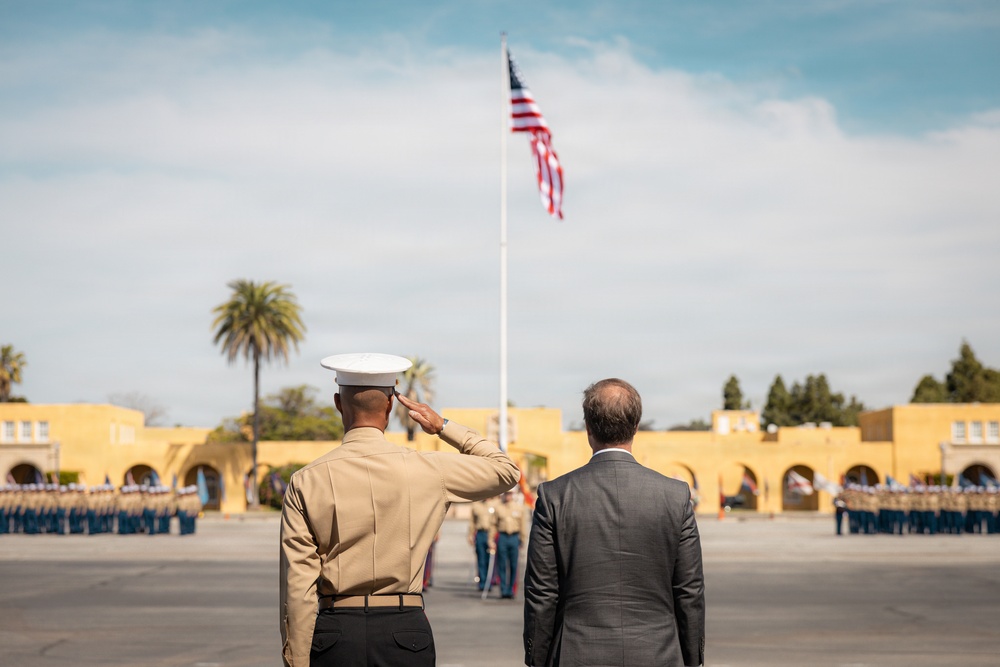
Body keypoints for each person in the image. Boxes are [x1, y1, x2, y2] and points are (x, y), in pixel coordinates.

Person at [279, 353, 520, 667]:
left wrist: (296, 659)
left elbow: (298, 583)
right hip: (405, 633)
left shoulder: (306, 480)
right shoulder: (428, 469)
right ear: (391, 406)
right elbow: (506, 470)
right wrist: (442, 427)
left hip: (335, 634)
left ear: (339, 403)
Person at [523, 378, 705, 667]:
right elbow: (689, 590)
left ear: (588, 428)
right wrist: (693, 660)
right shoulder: (674, 495)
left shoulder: (554, 495)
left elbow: (542, 592)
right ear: (635, 427)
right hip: (657, 653)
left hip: (576, 652)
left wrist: (536, 660)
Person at [491, 490, 530, 599]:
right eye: (506, 494)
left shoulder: (519, 508)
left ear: (512, 495)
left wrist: (522, 539)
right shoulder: (499, 508)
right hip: (502, 537)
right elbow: (493, 525)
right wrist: (491, 540)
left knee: (513, 565)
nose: (507, 496)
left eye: (509, 494)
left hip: (514, 537)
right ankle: (503, 590)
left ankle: (511, 590)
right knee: (502, 564)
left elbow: (523, 525)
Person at [468, 497, 497, 590]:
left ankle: (489, 581)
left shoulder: (494, 504)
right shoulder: (476, 505)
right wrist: (470, 535)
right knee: (481, 558)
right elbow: (472, 522)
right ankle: (482, 582)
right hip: (480, 533)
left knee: (490, 559)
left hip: (490, 533)